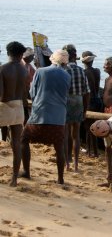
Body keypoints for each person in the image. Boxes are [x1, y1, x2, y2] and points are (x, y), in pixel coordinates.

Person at [16, 50, 71, 187]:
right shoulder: (66, 75)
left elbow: (32, 92)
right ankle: (60, 179)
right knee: (59, 147)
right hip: (58, 118)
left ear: (52, 60)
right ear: (65, 63)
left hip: (39, 115)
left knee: (24, 139)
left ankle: (27, 172)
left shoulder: (40, 71)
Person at [0, 41, 28, 187]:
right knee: (16, 143)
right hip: (18, 107)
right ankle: (14, 179)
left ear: (7, 53)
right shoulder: (24, 70)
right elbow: (24, 92)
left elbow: (1, 95)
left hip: (5, 106)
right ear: (21, 54)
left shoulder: (3, 69)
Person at [62, 44, 90, 172]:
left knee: (66, 133)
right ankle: (76, 164)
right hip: (78, 101)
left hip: (66, 101)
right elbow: (87, 92)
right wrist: (85, 109)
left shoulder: (62, 70)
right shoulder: (80, 70)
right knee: (76, 134)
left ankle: (67, 162)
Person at [81, 51, 102, 157]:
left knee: (88, 128)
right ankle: (95, 151)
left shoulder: (84, 72)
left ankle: (90, 151)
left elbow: (85, 90)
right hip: (98, 99)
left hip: (90, 102)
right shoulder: (97, 71)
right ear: (92, 60)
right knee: (95, 127)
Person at [22, 47, 36, 124]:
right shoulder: (22, 65)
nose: (33, 58)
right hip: (22, 93)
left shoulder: (29, 65)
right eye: (32, 56)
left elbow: (35, 75)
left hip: (28, 92)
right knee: (25, 115)